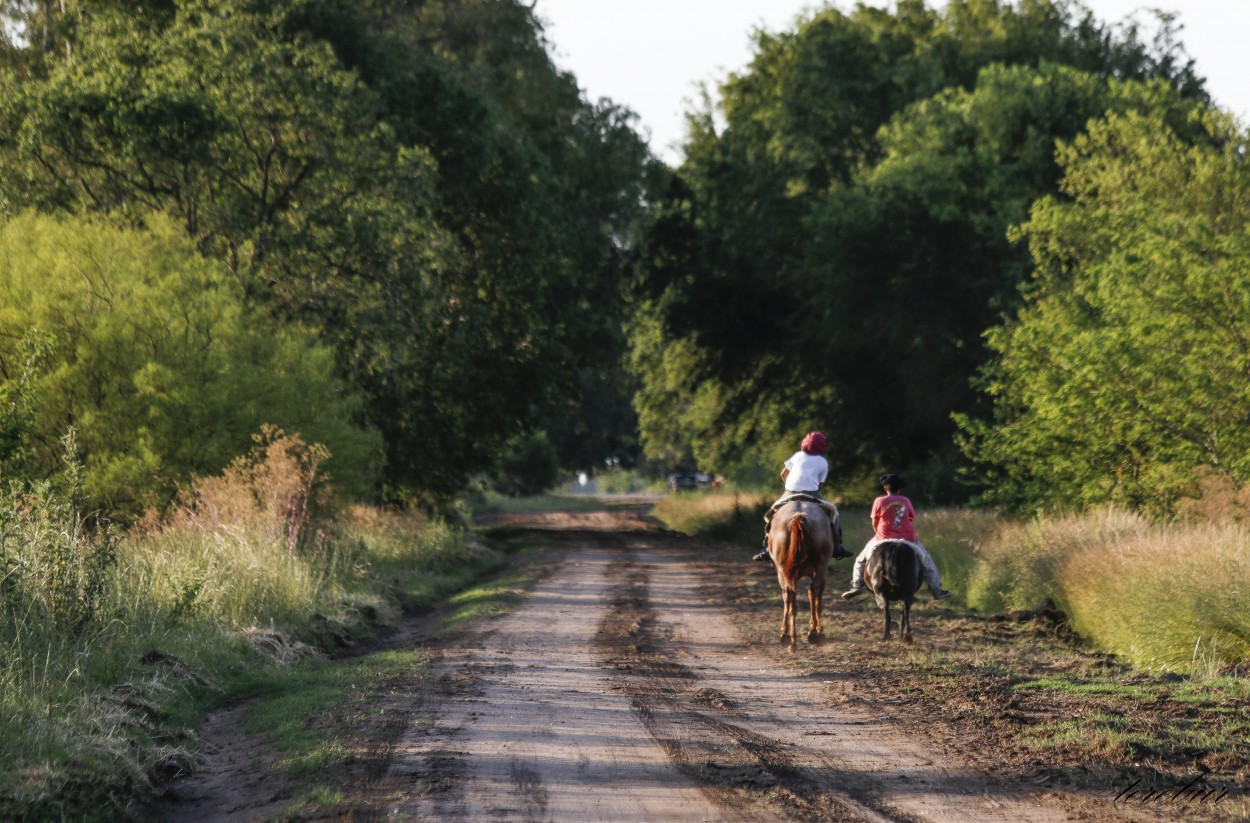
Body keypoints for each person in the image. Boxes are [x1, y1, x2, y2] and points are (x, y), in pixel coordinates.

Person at [842, 473, 951, 600]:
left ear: (885, 488)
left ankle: (856, 586)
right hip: (908, 538)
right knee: (927, 561)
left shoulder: (879, 501)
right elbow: (911, 518)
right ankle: (936, 590)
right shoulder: (906, 501)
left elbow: (875, 522)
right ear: (900, 489)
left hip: (883, 537)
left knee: (860, 560)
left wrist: (879, 533)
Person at [752, 431, 851, 562]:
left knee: (772, 514)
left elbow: (783, 474)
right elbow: (820, 484)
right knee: (834, 513)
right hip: (812, 493)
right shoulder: (823, 462)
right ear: (822, 446)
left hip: (790, 491)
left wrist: (789, 488)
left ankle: (766, 547)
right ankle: (837, 547)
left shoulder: (797, 456)